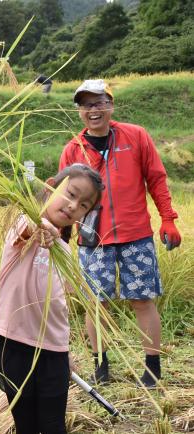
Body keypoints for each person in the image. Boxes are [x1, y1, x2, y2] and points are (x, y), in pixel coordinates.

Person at [60, 79, 181, 388]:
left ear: (110, 105)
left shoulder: (135, 136)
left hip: (135, 234)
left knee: (142, 299)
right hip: (92, 238)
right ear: (80, 111)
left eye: (99, 102)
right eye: (87, 105)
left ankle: (152, 367)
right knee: (95, 304)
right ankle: (101, 365)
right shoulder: (73, 149)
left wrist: (168, 218)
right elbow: (62, 198)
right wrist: (60, 241)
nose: (94, 110)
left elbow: (156, 178)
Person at [0, 164, 105, 434]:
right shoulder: (21, 226)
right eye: (71, 194)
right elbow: (31, 226)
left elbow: (58, 305)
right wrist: (44, 227)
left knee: (53, 425)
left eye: (84, 205)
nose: (73, 206)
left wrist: (65, 354)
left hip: (53, 352)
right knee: (26, 425)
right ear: (51, 186)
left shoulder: (64, 251)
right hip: (13, 344)